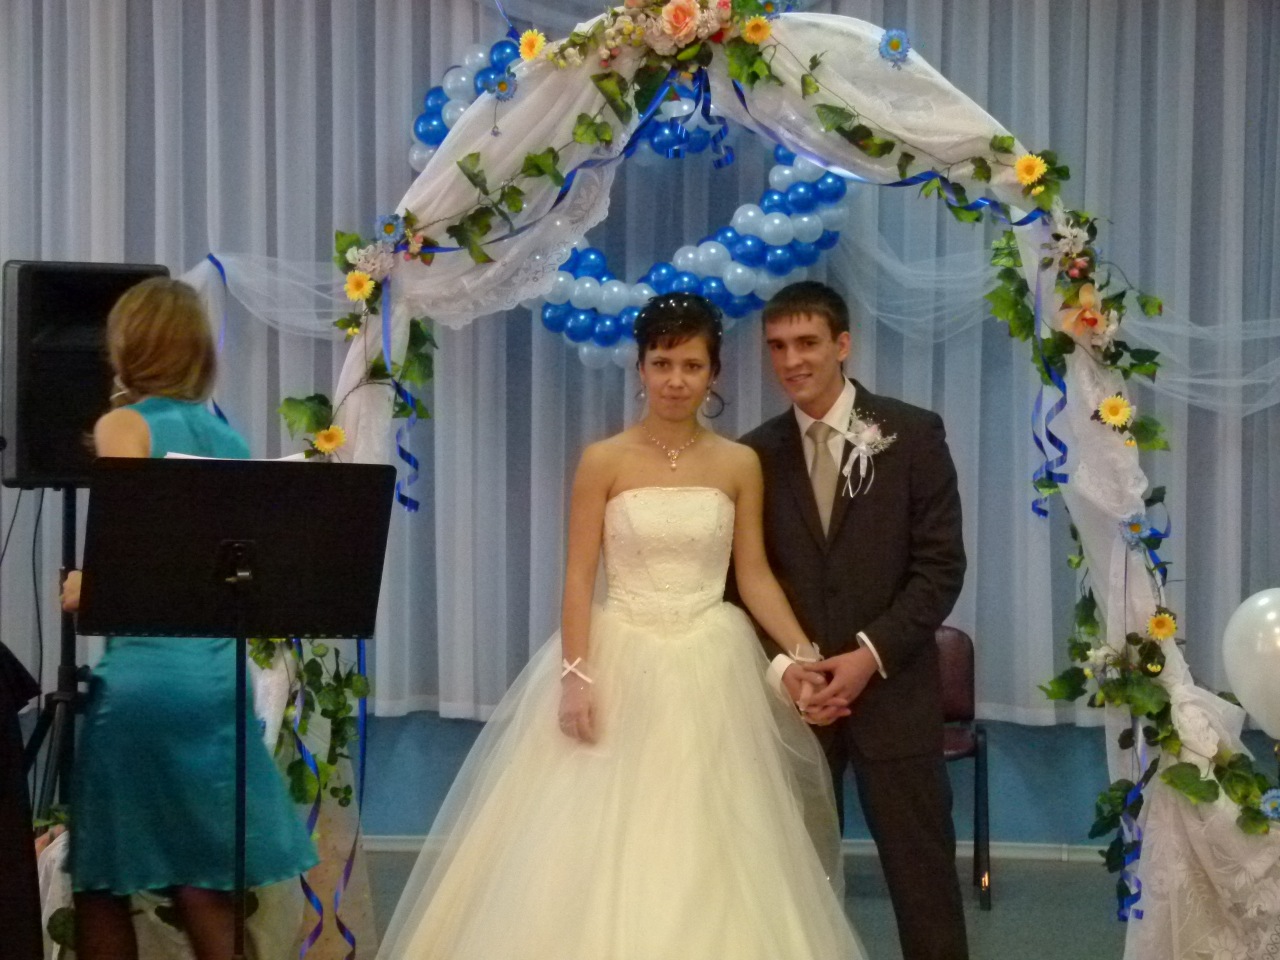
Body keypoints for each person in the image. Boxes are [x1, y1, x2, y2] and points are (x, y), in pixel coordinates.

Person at [377, 293, 868, 960]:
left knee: (715, 833)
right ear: (640, 369)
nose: (676, 380)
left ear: (714, 374)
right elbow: (579, 577)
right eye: (662, 363)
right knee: (589, 839)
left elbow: (753, 575)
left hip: (712, 660)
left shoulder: (738, 463)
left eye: (691, 365)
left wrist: (804, 654)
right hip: (621, 655)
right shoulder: (603, 460)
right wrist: (575, 676)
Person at [60, 277, 317, 960]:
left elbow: (133, 543)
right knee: (204, 882)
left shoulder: (124, 425)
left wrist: (89, 585)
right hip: (217, 680)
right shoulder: (229, 440)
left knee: (102, 879)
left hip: (147, 677)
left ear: (129, 347)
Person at [739, 280, 969, 960]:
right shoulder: (754, 454)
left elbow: (940, 569)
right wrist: (788, 669)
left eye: (807, 342)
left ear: (842, 344)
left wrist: (870, 655)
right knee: (794, 887)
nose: (792, 360)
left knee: (923, 884)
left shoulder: (912, 434)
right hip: (798, 706)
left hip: (894, 695)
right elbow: (742, 583)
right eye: (778, 346)